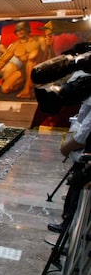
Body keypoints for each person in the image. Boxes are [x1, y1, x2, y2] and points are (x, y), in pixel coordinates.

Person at [48, 75, 91, 233]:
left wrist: (65, 148)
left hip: (86, 156)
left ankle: (69, 226)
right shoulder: (86, 102)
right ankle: (69, 224)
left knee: (77, 187)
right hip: (84, 153)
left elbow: (82, 136)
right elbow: (81, 120)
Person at [0, 21, 40, 99]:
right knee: (5, 89)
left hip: (38, 71)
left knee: (31, 61)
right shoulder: (16, 45)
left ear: (27, 30)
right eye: (17, 30)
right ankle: (25, 84)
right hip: (24, 72)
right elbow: (3, 61)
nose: (19, 32)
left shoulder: (37, 41)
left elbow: (46, 54)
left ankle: (27, 88)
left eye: (22, 29)